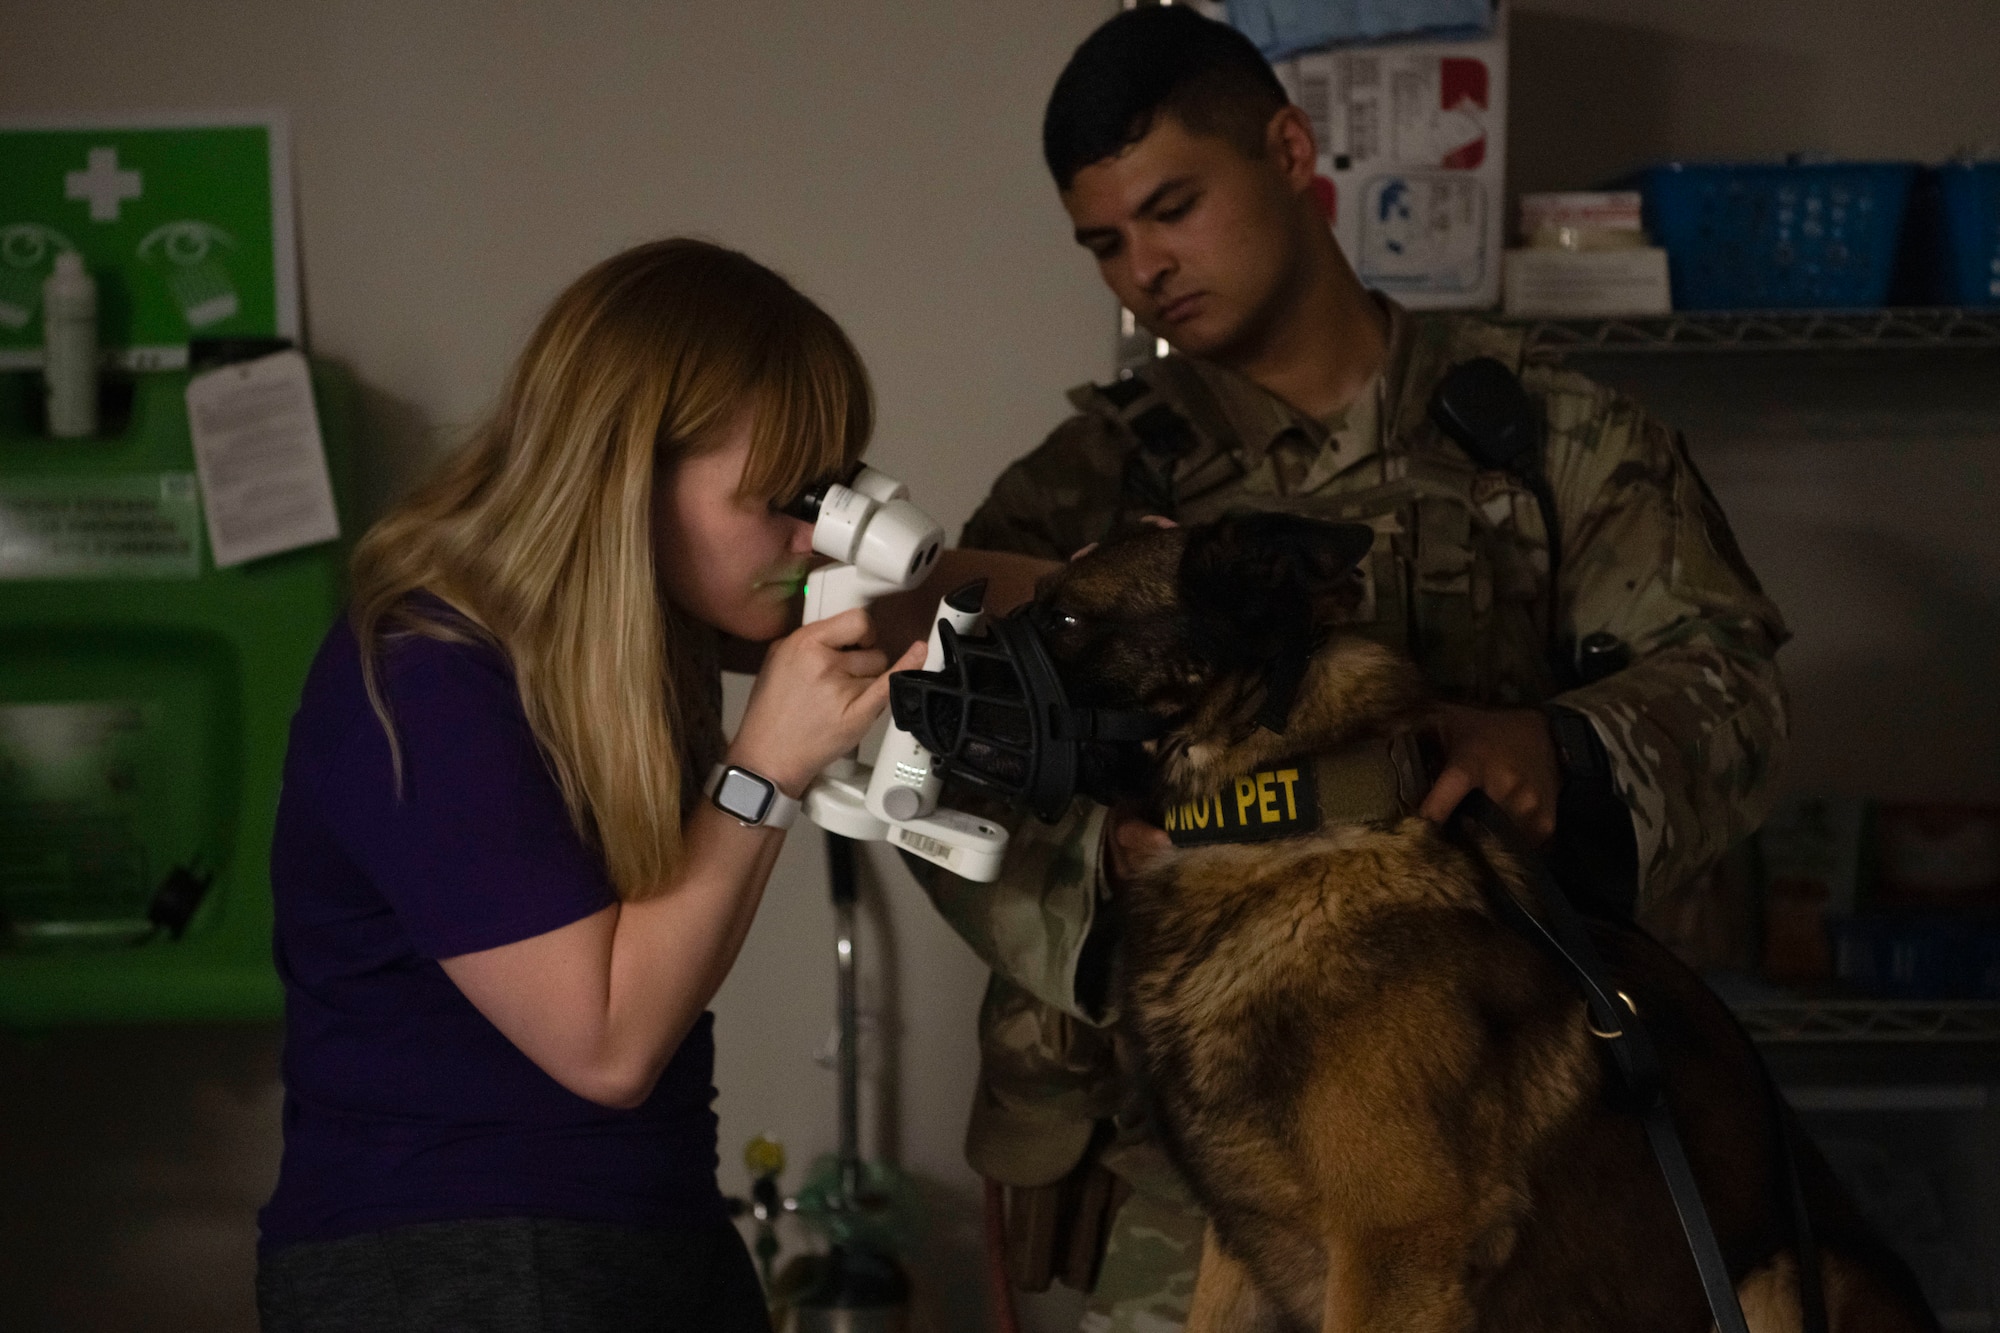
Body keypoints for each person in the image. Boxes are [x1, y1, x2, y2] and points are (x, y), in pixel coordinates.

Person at [903, 9, 1791, 1332]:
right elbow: (938, 760)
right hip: (1167, 1164)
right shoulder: (1080, 495)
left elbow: (1736, 695)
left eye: (1173, 209)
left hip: (1491, 1149)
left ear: (1291, 148)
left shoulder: (1547, 441)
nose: (1145, 268)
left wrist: (1560, 752)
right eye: (1106, 244)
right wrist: (1123, 872)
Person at [255, 238, 923, 1332]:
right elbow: (605, 1045)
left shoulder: (620, 632)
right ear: (630, 472)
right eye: (780, 499)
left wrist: (1093, 584)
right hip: (450, 1261)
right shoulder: (426, 677)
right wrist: (765, 768)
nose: (812, 538)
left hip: (641, 1230)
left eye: (830, 494)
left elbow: (916, 606)